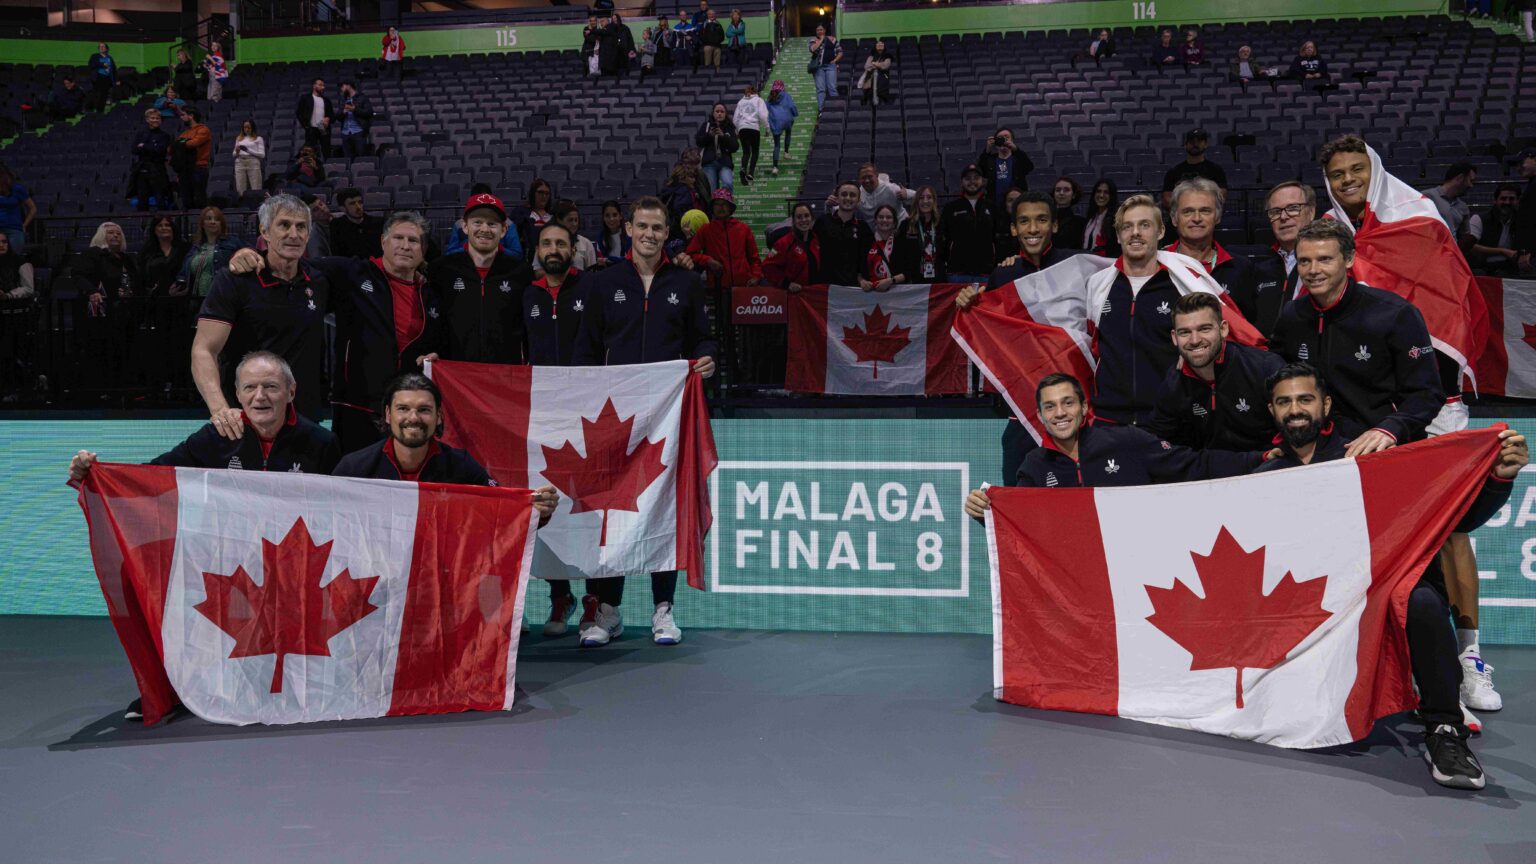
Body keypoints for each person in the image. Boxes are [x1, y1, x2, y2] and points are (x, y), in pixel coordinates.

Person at [1254, 362, 1526, 790]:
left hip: (1376, 591)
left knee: (1419, 599)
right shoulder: (1265, 478)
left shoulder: (1373, 459)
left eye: (1305, 399)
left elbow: (1454, 517)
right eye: (1284, 402)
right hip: (1308, 604)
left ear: (1325, 405)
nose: (1295, 410)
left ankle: (1444, 730)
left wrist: (1498, 478)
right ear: (1272, 411)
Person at [573, 196, 716, 647]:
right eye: (642, 226)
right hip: (613, 419)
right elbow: (586, 349)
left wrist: (708, 358)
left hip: (665, 417)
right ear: (629, 230)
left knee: (663, 508)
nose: (650, 234)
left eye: (658, 227)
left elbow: (703, 337)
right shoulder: (603, 282)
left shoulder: (687, 283)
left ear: (665, 232)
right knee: (612, 509)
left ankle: (663, 609)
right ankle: (608, 610)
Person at [229, 210, 439, 453]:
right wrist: (249, 253)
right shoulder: (351, 271)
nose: (405, 246)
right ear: (383, 242)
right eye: (398, 238)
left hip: (407, 407)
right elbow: (293, 262)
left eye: (413, 241)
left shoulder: (430, 293)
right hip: (356, 406)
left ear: (423, 248)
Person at [1268, 218, 1442, 451]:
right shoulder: (1292, 314)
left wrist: (1391, 429)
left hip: (1383, 445)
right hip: (1316, 447)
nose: (1313, 270)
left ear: (1349, 259)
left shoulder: (1395, 314)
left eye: (1324, 259)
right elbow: (1279, 379)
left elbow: (1426, 392)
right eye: (1304, 261)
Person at [961, 373, 1261, 496]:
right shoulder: (1034, 466)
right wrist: (983, 512)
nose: (1060, 413)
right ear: (1040, 417)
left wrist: (1256, 460)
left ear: (1084, 407)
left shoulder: (1128, 442)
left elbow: (1195, 464)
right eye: (1050, 407)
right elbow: (1020, 524)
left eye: (1068, 403)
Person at [70, 351, 340, 486]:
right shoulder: (215, 437)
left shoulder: (320, 443)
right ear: (237, 394)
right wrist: (93, 476)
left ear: (291, 392)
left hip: (295, 561)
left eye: (270, 387)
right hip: (232, 561)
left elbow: (350, 503)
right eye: (250, 388)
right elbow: (152, 476)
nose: (260, 397)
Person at [332, 372, 558, 523]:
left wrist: (536, 511)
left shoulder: (461, 467)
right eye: (403, 409)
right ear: (388, 415)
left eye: (424, 410)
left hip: (437, 583)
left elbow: (499, 512)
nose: (413, 418)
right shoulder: (354, 468)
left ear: (438, 417)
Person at [195, 194, 332, 431]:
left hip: (304, 419)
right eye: (284, 225)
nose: (294, 234)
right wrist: (219, 409)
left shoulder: (318, 280)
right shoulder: (235, 279)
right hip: (247, 419)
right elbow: (204, 349)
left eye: (301, 227)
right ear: (265, 232)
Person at [523, 221, 598, 633]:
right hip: (543, 417)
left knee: (591, 507)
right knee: (548, 504)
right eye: (547, 243)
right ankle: (560, 596)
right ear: (538, 249)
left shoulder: (593, 289)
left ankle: (596, 602)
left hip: (587, 415)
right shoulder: (527, 295)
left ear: (575, 249)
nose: (554, 249)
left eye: (561, 243)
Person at [1145, 292, 1284, 451]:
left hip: (1266, 469)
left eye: (1204, 329)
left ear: (1223, 329)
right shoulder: (1175, 382)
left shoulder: (1264, 368)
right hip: (1208, 472)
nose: (1195, 340)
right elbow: (1155, 440)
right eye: (1185, 332)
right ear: (1175, 337)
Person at [1091, 194, 1184, 426]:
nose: (1135, 233)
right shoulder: (1097, 285)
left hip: (1167, 417)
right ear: (1118, 235)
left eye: (1145, 225)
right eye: (1127, 226)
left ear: (1160, 232)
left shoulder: (1183, 285)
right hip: (1108, 418)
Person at [429, 192, 537, 365]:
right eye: (477, 222)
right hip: (455, 374)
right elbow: (433, 322)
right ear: (465, 227)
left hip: (505, 376)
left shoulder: (521, 272)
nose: (485, 229)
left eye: (492, 224)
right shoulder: (442, 270)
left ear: (503, 230)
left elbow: (530, 326)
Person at [1164, 178, 1260, 316]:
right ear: (1174, 218)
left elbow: (1247, 325)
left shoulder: (1240, 268)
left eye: (1205, 211)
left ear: (1218, 217)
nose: (1196, 218)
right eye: (1188, 211)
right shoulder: (1158, 264)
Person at [1256, 179, 1318, 322]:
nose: (1283, 217)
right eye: (1275, 211)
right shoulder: (1260, 270)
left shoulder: (1327, 262)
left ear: (1311, 212)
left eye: (1293, 208)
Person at [687, 188, 762, 292]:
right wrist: (708, 261)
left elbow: (754, 259)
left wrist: (756, 276)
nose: (720, 207)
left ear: (730, 207)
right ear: (712, 208)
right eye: (717, 204)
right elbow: (691, 253)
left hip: (744, 286)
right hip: (717, 288)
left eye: (724, 204)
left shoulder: (744, 229)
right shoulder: (705, 230)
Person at [938, 164, 996, 282]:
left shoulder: (992, 207)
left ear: (982, 181)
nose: (972, 182)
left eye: (976, 178)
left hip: (986, 273)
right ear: (962, 182)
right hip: (957, 273)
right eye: (968, 178)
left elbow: (997, 237)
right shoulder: (951, 208)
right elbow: (942, 238)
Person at [814, 181, 876, 286]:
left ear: (858, 201)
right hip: (824, 287)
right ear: (837, 198)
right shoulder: (823, 222)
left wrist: (861, 278)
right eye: (844, 194)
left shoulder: (863, 228)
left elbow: (865, 259)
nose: (848, 198)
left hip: (852, 288)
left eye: (852, 195)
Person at [177, 207, 244, 299]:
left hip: (223, 297)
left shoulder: (233, 242)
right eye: (209, 219)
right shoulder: (195, 247)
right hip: (197, 299)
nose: (213, 222)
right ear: (202, 224)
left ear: (221, 224)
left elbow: (250, 252)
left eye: (217, 219)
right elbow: (184, 273)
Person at [1161, 128, 1227, 208]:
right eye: (1191, 141)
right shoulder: (1174, 172)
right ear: (1185, 145)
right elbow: (1166, 198)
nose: (1195, 144)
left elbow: (1221, 196)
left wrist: (1202, 208)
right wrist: (1185, 210)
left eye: (1199, 141)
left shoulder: (1216, 170)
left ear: (1206, 144)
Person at [763, 201, 819, 294]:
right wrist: (786, 284)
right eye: (799, 217)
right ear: (793, 220)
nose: (803, 220)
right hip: (792, 296)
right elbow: (767, 266)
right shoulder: (783, 243)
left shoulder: (817, 240)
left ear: (812, 218)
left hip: (811, 295)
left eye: (806, 216)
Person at [1468, 183, 1524, 274]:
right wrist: (1502, 251)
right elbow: (1470, 246)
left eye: (1511, 199)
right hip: (1483, 267)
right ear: (1495, 201)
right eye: (1503, 198)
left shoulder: (1522, 221)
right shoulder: (1479, 219)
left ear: (1518, 201)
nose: (1507, 202)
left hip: (1512, 267)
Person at [128, 108, 173, 212]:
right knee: (142, 198)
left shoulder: (164, 135)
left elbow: (160, 150)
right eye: (152, 118)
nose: (155, 120)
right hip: (142, 170)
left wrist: (144, 146)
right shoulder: (141, 134)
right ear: (147, 120)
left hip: (158, 170)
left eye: (158, 118)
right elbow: (134, 149)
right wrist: (151, 147)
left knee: (160, 197)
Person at [536, 201, 599, 272]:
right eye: (570, 220)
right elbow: (537, 272)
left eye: (576, 220)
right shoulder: (545, 241)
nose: (574, 224)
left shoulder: (586, 243)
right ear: (559, 221)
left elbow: (592, 272)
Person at [898, 185, 944, 281]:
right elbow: (900, 254)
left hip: (938, 279)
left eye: (929, 197)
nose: (925, 201)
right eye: (921, 198)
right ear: (916, 202)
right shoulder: (906, 224)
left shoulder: (941, 224)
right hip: (913, 280)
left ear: (934, 201)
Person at [979, 127, 1034, 207]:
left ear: (1012, 141)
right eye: (1000, 138)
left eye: (1006, 138)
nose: (1003, 140)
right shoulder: (990, 160)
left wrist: (1016, 150)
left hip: (1017, 204)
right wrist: (987, 151)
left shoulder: (1018, 159)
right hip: (995, 204)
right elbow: (980, 171)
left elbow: (1029, 167)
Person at [1425, 162, 1476, 245]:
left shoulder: (1463, 207)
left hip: (1450, 255)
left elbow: (1465, 236)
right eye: (1470, 180)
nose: (1471, 185)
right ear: (1460, 178)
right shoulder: (1427, 196)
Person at [139, 214, 189, 297]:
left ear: (173, 228)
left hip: (181, 296)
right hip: (155, 299)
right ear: (154, 230)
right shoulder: (146, 252)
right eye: (160, 225)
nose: (164, 228)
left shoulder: (185, 248)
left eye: (167, 225)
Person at [174, 106, 212, 209]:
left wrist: (181, 143)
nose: (181, 118)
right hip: (185, 169)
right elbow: (174, 146)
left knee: (198, 197)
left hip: (199, 167)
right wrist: (182, 143)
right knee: (186, 199)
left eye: (183, 115)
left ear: (191, 116)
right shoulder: (184, 133)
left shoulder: (203, 129)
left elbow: (193, 143)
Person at [696, 102, 739, 193]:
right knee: (711, 190)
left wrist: (723, 136)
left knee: (728, 183)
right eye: (717, 111)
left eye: (722, 112)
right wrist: (709, 135)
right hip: (709, 163)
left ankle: (726, 206)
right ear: (713, 113)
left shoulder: (730, 127)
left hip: (725, 162)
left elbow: (735, 147)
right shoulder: (706, 125)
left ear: (725, 114)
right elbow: (699, 142)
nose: (719, 113)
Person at [733, 84, 770, 186]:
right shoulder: (759, 100)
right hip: (754, 128)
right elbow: (763, 115)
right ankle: (750, 173)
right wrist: (767, 128)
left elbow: (735, 119)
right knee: (755, 151)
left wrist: (737, 131)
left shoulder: (741, 102)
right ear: (756, 92)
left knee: (746, 152)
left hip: (742, 128)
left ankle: (743, 168)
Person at [334, 81, 374, 164]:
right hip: (345, 133)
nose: (341, 89)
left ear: (348, 85)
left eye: (342, 86)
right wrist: (343, 112)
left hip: (358, 132)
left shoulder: (362, 98)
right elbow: (338, 116)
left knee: (361, 159)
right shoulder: (343, 99)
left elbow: (369, 113)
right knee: (348, 160)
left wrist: (354, 109)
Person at [765, 80, 798, 177]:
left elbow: (765, 110)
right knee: (788, 132)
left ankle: (775, 167)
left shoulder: (769, 98)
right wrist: (795, 114)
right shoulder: (786, 95)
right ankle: (786, 152)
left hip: (775, 122)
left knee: (776, 145)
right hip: (787, 119)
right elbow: (792, 106)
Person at [1081, 178, 1120, 258]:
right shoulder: (1090, 217)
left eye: (1106, 192)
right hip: (1087, 261)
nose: (1101, 195)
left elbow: (1117, 249)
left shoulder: (1116, 219)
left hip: (1106, 264)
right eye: (1098, 191)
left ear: (1111, 196)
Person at [514, 179, 555, 255]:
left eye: (547, 193)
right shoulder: (520, 213)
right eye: (540, 192)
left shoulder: (554, 215)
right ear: (533, 193)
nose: (544, 196)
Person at [295, 78, 335, 155]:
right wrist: (306, 125)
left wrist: (328, 118)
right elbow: (299, 113)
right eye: (320, 85)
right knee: (310, 150)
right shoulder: (305, 98)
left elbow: (332, 116)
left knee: (326, 148)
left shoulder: (326, 100)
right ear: (314, 86)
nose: (323, 87)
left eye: (323, 85)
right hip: (311, 128)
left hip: (322, 127)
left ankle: (326, 165)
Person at [0, 168, 34, 256]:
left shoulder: (18, 189)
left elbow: (33, 208)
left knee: (14, 258)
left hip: (14, 229)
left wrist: (24, 225)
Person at [808, 25, 843, 109]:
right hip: (818, 67)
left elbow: (840, 52)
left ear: (825, 30)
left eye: (821, 29)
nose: (819, 31)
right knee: (821, 89)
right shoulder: (813, 40)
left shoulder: (832, 39)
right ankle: (822, 110)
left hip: (830, 66)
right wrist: (821, 40)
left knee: (832, 88)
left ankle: (835, 109)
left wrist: (835, 61)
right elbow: (812, 49)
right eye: (818, 30)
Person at [232, 119, 267, 197]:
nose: (246, 130)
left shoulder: (258, 139)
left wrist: (248, 150)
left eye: (248, 127)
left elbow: (262, 155)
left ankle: (257, 203)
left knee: (256, 185)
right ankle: (241, 204)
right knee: (240, 186)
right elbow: (234, 154)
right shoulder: (239, 138)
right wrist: (237, 151)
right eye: (245, 127)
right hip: (240, 162)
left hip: (253, 161)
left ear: (252, 128)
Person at [599, 13, 637, 78]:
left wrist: (632, 50)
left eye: (616, 18)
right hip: (613, 57)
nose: (615, 20)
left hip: (624, 55)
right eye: (613, 19)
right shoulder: (608, 30)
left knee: (623, 74)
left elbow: (630, 41)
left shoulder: (625, 28)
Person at [858, 40, 893, 106]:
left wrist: (874, 64)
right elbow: (867, 66)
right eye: (878, 44)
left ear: (884, 47)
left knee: (882, 99)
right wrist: (879, 64)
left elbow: (885, 65)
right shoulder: (871, 57)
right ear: (875, 47)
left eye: (882, 44)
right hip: (870, 81)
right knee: (869, 99)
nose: (880, 45)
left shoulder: (888, 57)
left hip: (882, 81)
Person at [89, 43, 117, 110]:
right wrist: (103, 65)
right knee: (97, 95)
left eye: (103, 46)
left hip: (107, 78)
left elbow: (114, 69)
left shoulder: (109, 58)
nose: (101, 48)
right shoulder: (95, 56)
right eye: (100, 46)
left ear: (106, 49)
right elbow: (92, 64)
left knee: (104, 95)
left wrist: (116, 79)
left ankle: (100, 110)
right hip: (98, 78)